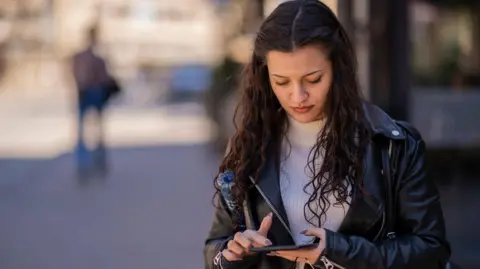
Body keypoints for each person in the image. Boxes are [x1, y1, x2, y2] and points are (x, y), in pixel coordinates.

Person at [204, 1, 451, 269]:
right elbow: (215, 250)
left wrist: (339, 251)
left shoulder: (393, 145)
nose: (298, 96)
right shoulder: (250, 146)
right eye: (282, 82)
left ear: (337, 69)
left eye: (313, 79)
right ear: (265, 77)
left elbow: (431, 249)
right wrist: (233, 253)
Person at [71, 25, 111, 179]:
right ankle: (92, 162)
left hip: (87, 93)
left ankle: (89, 162)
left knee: (91, 130)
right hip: (91, 92)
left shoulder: (83, 57)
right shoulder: (93, 58)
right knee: (93, 130)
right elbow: (103, 77)